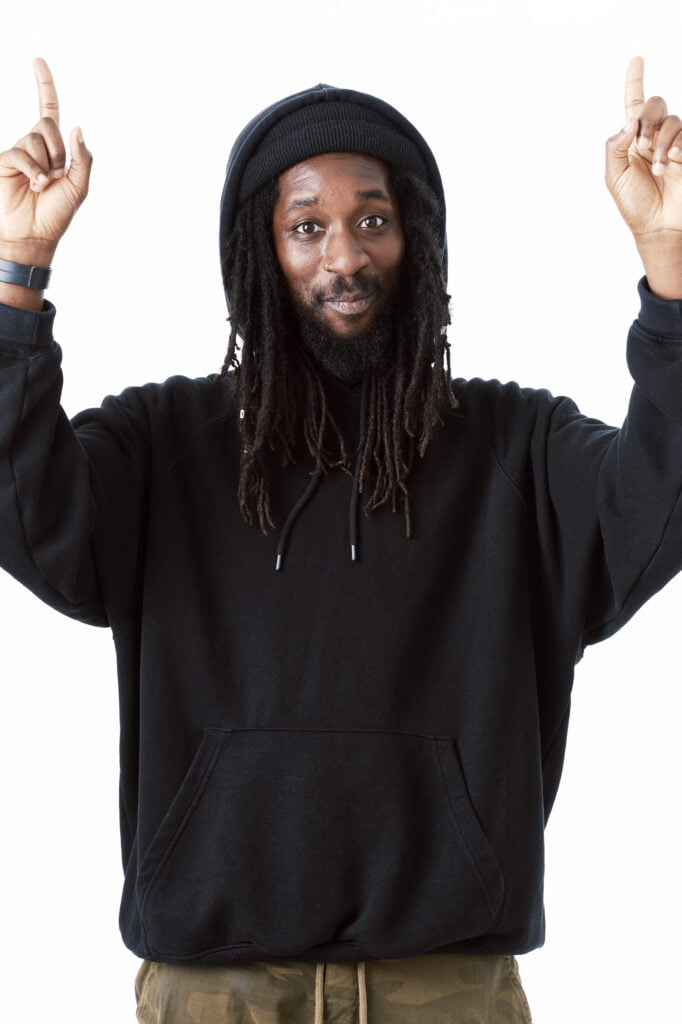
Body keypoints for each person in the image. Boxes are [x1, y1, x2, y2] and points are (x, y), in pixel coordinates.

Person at [1, 56, 682, 1024]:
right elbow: (29, 519)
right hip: (215, 986)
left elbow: (655, 509)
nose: (344, 257)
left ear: (417, 238)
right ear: (258, 250)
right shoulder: (163, 442)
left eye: (372, 220)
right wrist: (13, 279)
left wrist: (672, 265)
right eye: (305, 227)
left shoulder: (514, 447)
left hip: (445, 981)